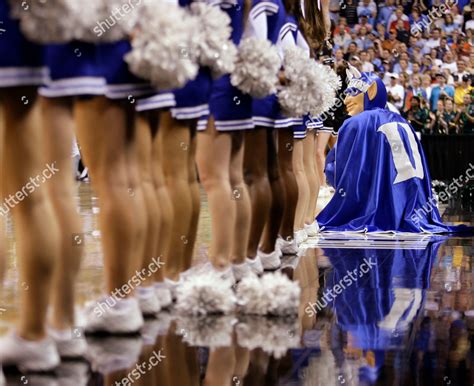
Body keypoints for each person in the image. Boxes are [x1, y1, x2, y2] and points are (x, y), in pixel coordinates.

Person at [316, 67, 469, 233]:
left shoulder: (357, 122)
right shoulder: (403, 121)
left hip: (379, 207)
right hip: (416, 205)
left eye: (351, 93)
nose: (345, 100)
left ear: (371, 92)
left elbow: (339, 171)